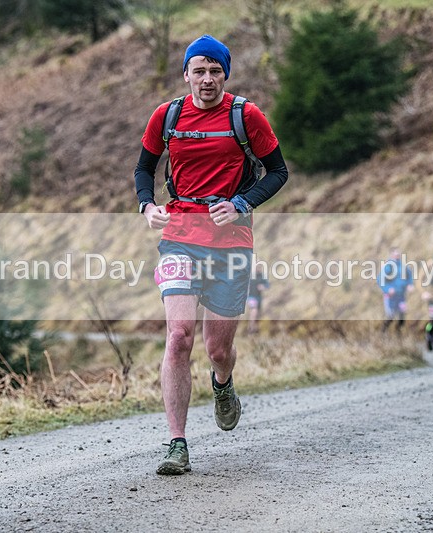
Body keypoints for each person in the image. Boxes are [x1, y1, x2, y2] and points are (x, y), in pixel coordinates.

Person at [134, 34, 288, 475]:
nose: (206, 79)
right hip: (180, 234)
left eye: (215, 71)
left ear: (226, 74)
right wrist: (148, 206)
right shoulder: (167, 116)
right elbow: (145, 168)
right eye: (198, 70)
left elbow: (278, 172)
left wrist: (241, 203)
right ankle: (177, 444)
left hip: (230, 242)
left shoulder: (246, 116)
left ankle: (222, 384)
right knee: (179, 334)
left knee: (217, 348)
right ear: (186, 74)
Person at [377, 247, 414, 333]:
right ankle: (383, 332)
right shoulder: (388, 267)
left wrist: (410, 285)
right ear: (391, 255)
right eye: (396, 254)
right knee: (391, 316)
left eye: (398, 254)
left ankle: (398, 333)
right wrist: (387, 289)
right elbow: (380, 280)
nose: (397, 256)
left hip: (401, 296)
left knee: (402, 315)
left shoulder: (403, 266)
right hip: (390, 297)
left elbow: (409, 277)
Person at [246, 263, 270, 334]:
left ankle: (254, 328)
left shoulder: (262, 277)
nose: (258, 269)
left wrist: (263, 287)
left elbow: (267, 285)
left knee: (257, 314)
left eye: (260, 267)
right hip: (251, 297)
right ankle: (251, 328)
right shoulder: (250, 276)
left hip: (259, 298)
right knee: (254, 310)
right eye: (257, 267)